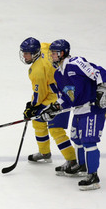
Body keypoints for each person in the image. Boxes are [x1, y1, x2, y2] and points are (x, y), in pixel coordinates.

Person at [40, 39, 106, 190]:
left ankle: (93, 177)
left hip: (92, 108)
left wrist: (101, 91)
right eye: (51, 53)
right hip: (79, 109)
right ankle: (82, 166)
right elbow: (66, 98)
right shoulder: (58, 74)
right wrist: (53, 109)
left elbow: (99, 72)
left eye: (54, 53)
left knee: (88, 141)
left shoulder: (76, 63)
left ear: (63, 53)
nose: (51, 56)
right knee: (76, 138)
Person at [19, 37, 76, 175]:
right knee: (38, 122)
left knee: (56, 129)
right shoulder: (44, 47)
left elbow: (40, 95)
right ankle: (44, 153)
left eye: (27, 54)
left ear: (35, 53)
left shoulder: (37, 71)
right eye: (24, 53)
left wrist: (32, 108)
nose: (25, 56)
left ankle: (73, 161)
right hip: (56, 91)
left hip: (62, 96)